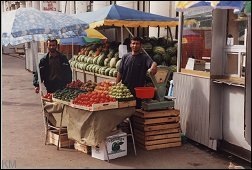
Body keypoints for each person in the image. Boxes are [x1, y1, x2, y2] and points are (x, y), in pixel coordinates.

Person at [116, 37, 157, 109]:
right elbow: (120, 72)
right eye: (133, 43)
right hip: (125, 90)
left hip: (138, 90)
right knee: (124, 109)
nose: (135, 45)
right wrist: (116, 85)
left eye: (137, 44)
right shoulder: (125, 57)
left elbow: (152, 63)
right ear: (130, 45)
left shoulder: (144, 58)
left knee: (136, 109)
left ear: (140, 45)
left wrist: (154, 65)